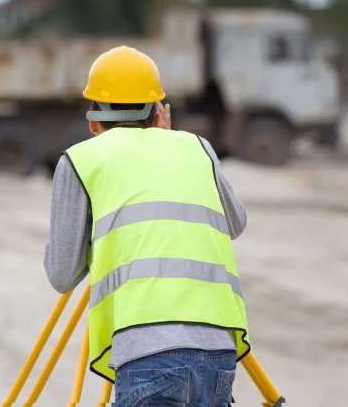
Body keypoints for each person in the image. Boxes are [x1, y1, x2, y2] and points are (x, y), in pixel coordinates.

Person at [44, 45, 251, 406]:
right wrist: (167, 140)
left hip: (147, 354)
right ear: (158, 112)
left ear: (93, 120)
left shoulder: (81, 160)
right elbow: (234, 223)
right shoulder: (198, 148)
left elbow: (61, 274)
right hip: (218, 351)